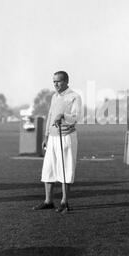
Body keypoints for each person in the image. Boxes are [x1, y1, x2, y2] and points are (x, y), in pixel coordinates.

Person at [33, 71, 82, 213]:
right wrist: (46, 136)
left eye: (58, 81)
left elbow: (76, 117)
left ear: (66, 81)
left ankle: (64, 201)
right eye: (54, 81)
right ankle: (48, 201)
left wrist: (63, 115)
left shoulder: (74, 97)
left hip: (66, 137)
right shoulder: (54, 96)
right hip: (53, 138)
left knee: (66, 169)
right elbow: (50, 116)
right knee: (48, 169)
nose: (55, 84)